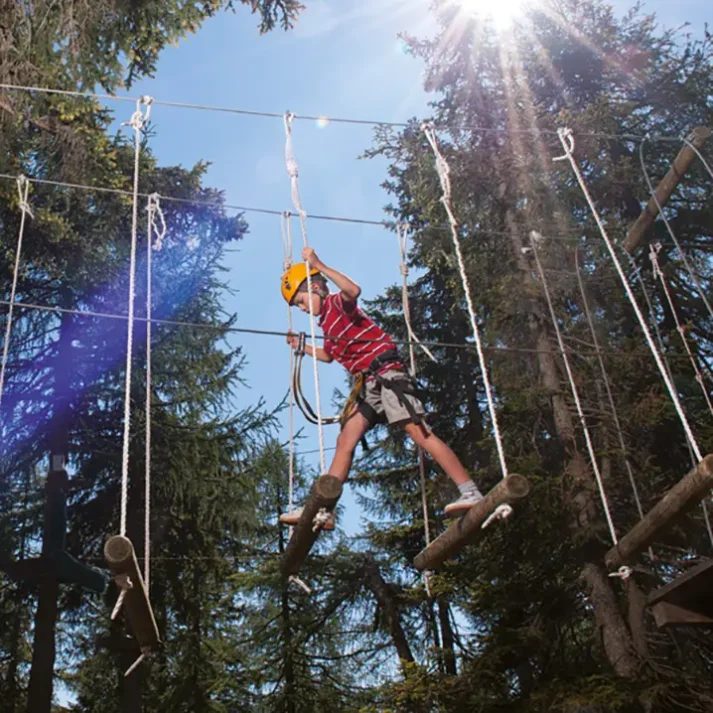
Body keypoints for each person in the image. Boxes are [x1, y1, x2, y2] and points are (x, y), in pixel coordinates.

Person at [279, 247, 484, 530]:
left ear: (314, 287)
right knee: (345, 440)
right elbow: (328, 355)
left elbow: (353, 290)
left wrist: (319, 264)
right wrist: (303, 347)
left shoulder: (338, 304)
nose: (302, 309)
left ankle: (470, 490)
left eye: (301, 301)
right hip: (368, 385)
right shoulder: (326, 323)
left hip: (387, 374)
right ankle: (325, 511)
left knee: (418, 431)